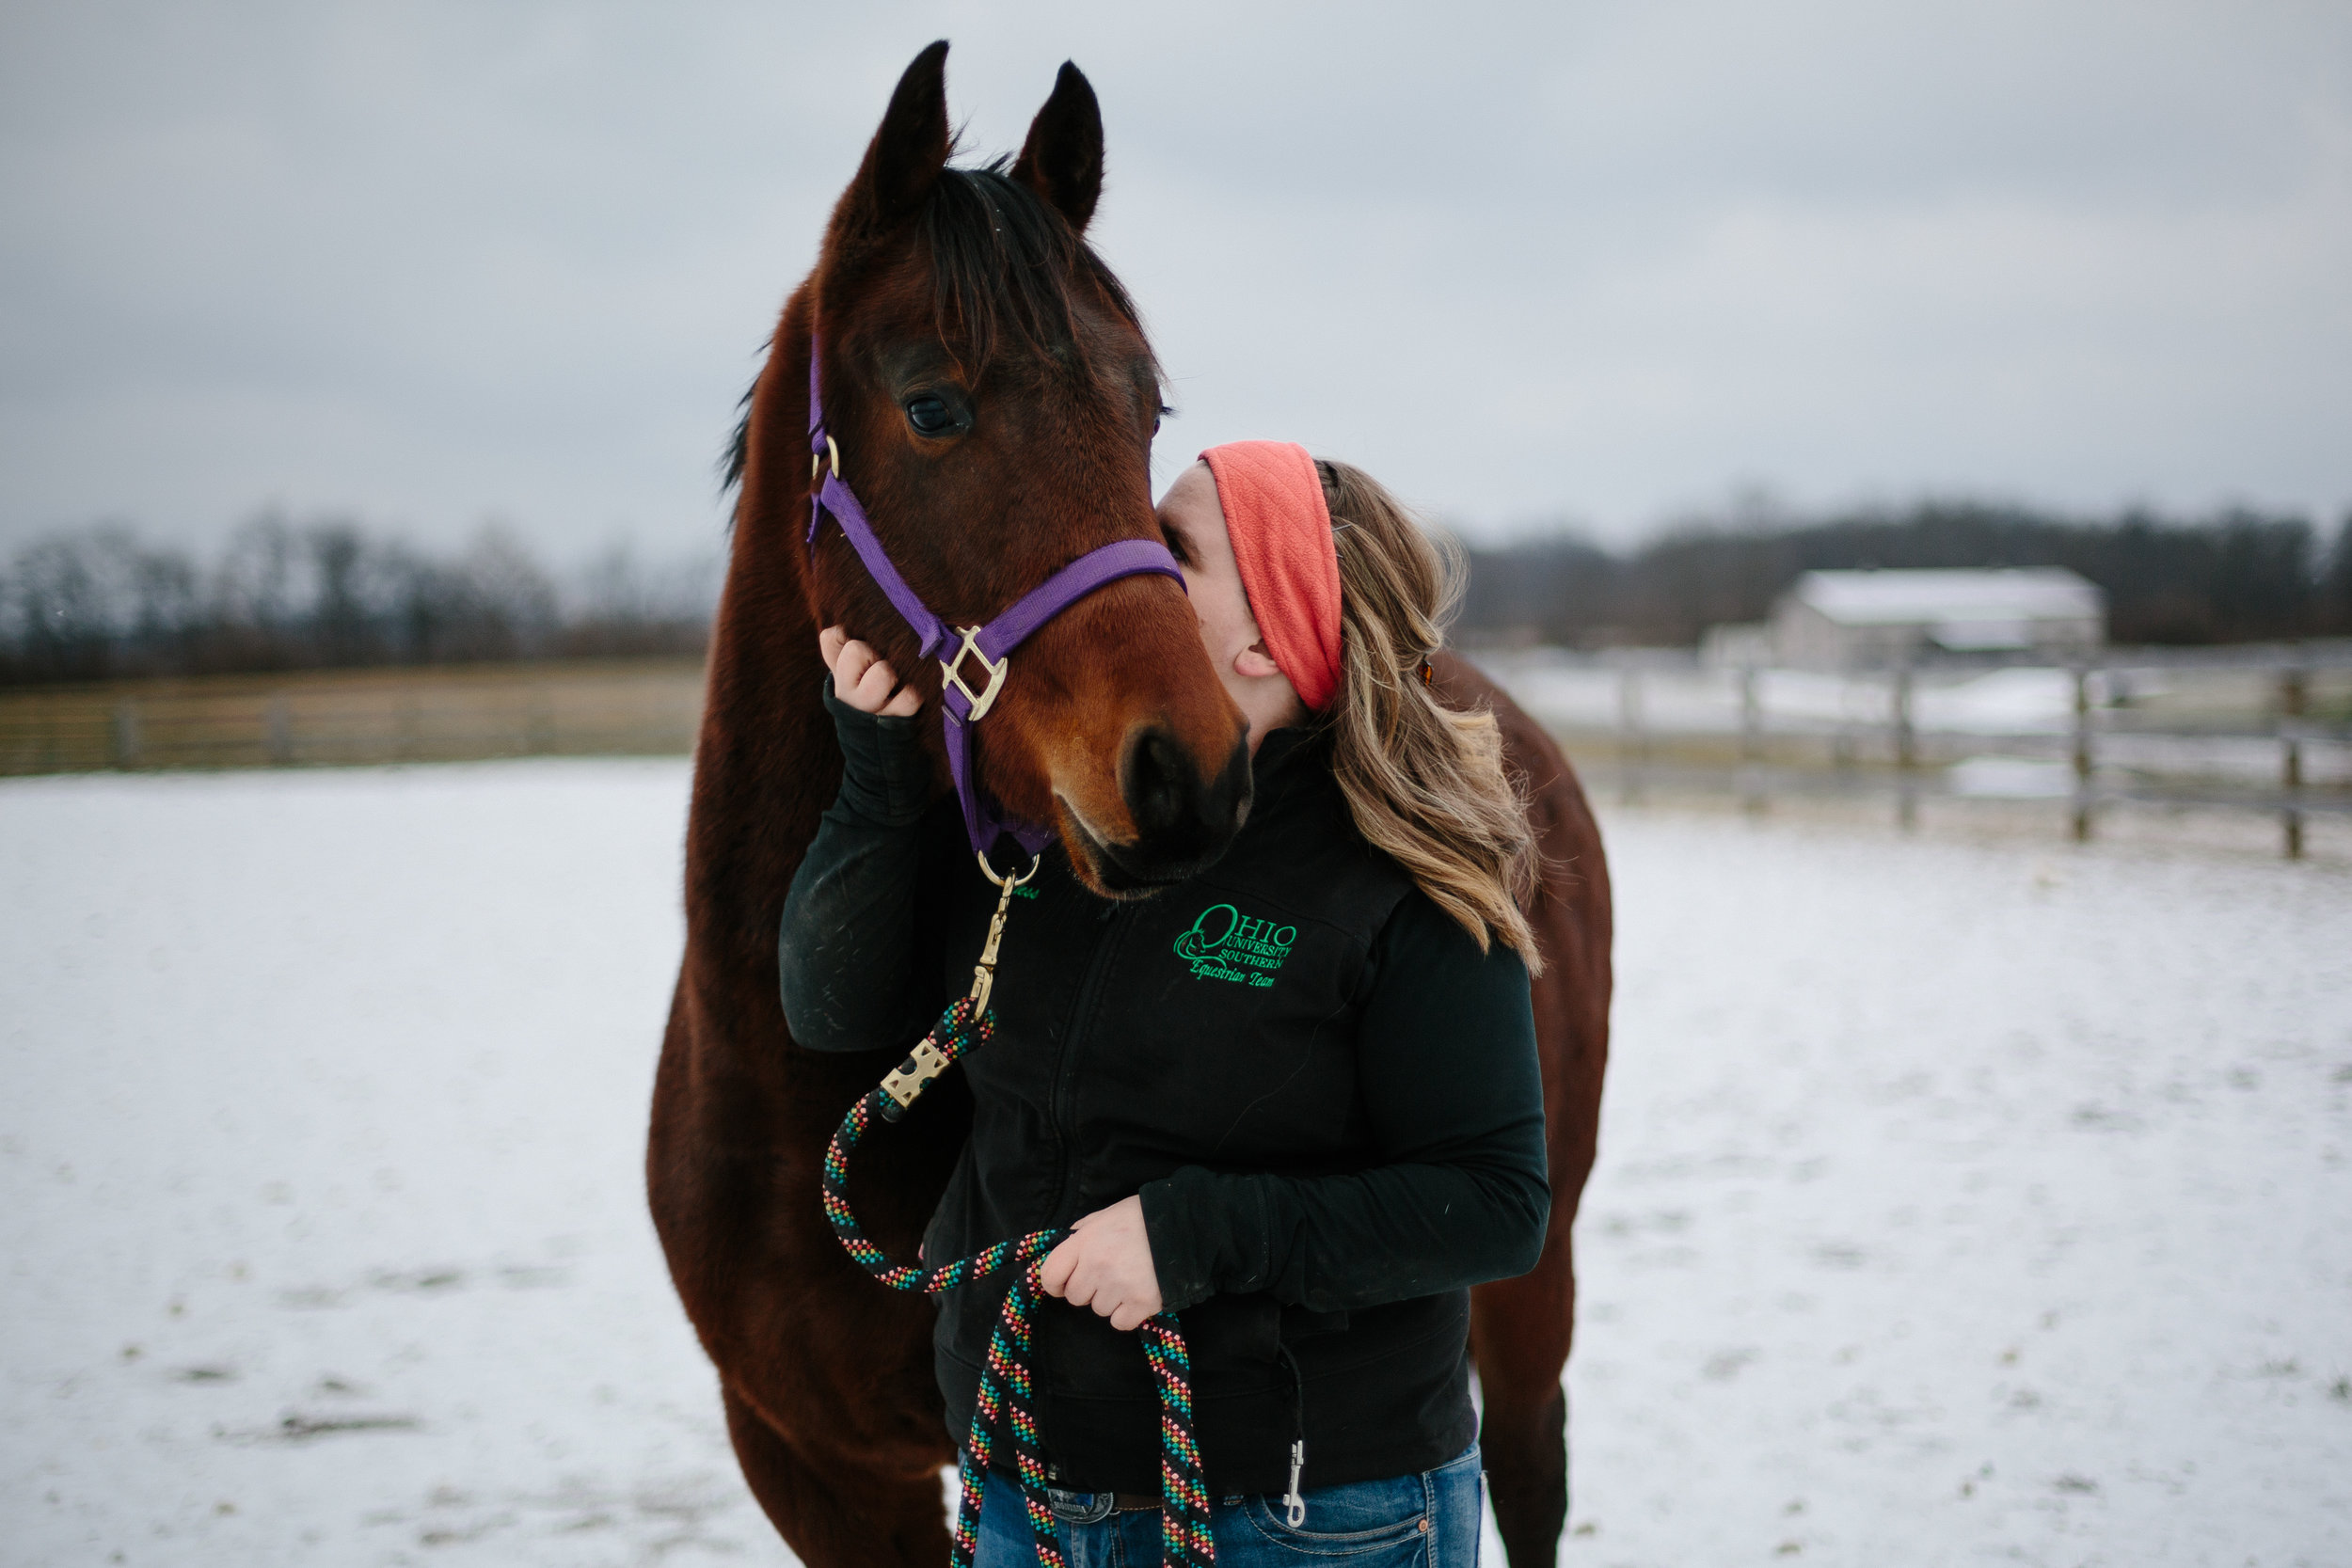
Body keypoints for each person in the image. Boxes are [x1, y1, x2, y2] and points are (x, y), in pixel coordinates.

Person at [779, 443, 1549, 1565]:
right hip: (1027, 1493)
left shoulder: (1397, 879)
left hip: (1308, 1514)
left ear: (1264, 640)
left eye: (1173, 547)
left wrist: (1189, 1237)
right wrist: (881, 772)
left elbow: (1493, 1201)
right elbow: (830, 1008)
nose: (1122, 555)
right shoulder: (1049, 808)